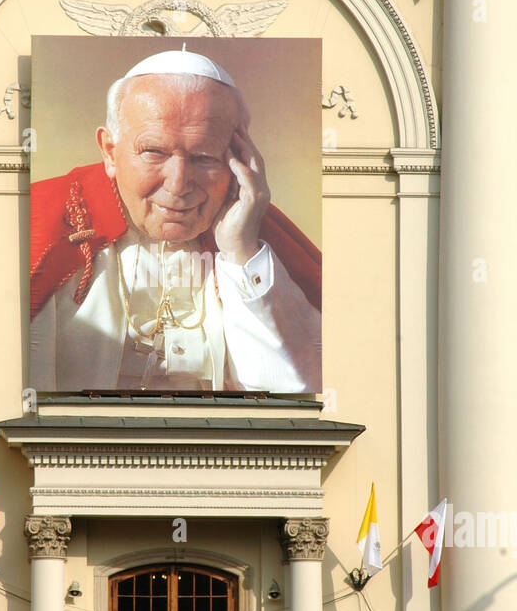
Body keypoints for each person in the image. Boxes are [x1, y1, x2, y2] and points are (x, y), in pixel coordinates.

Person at [29, 47, 322, 393]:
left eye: (204, 156)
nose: (179, 182)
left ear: (240, 159)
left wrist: (241, 251)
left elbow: (295, 393)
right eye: (154, 152)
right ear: (110, 151)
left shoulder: (258, 240)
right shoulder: (43, 224)